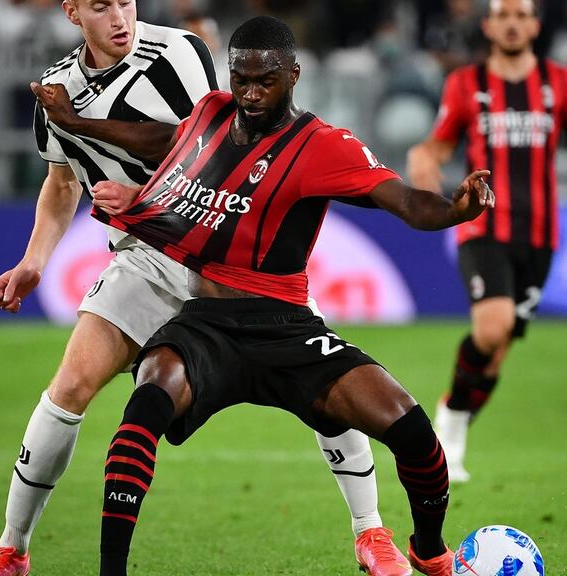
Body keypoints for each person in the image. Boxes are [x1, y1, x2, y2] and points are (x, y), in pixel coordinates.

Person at [0, 3, 402, 576]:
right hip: (148, 258)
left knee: (323, 380)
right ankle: (11, 550)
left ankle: (371, 533)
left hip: (226, 252)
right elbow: (61, 180)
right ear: (73, 12)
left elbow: (216, 143)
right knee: (69, 386)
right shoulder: (54, 90)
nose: (120, 16)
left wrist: (143, 199)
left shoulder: (177, 52)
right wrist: (33, 261)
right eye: (101, 6)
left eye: (126, 1)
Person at [88, 15, 494, 576]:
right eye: (241, 79)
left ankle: (427, 548)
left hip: (287, 328)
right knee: (145, 405)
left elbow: (403, 200)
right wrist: (79, 123)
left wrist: (454, 209)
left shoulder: (324, 146)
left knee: (411, 428)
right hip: (206, 322)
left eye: (266, 81)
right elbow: (166, 140)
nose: (251, 94)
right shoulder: (210, 112)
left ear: (294, 74)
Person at [407, 0, 567, 483]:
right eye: (503, 14)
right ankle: (449, 422)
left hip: (539, 236)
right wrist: (423, 160)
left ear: (534, 24)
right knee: (492, 328)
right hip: (484, 229)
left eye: (521, 14)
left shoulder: (563, 83)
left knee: (497, 353)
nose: (512, 23)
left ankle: (456, 422)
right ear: (489, 24)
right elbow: (438, 143)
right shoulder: (465, 84)